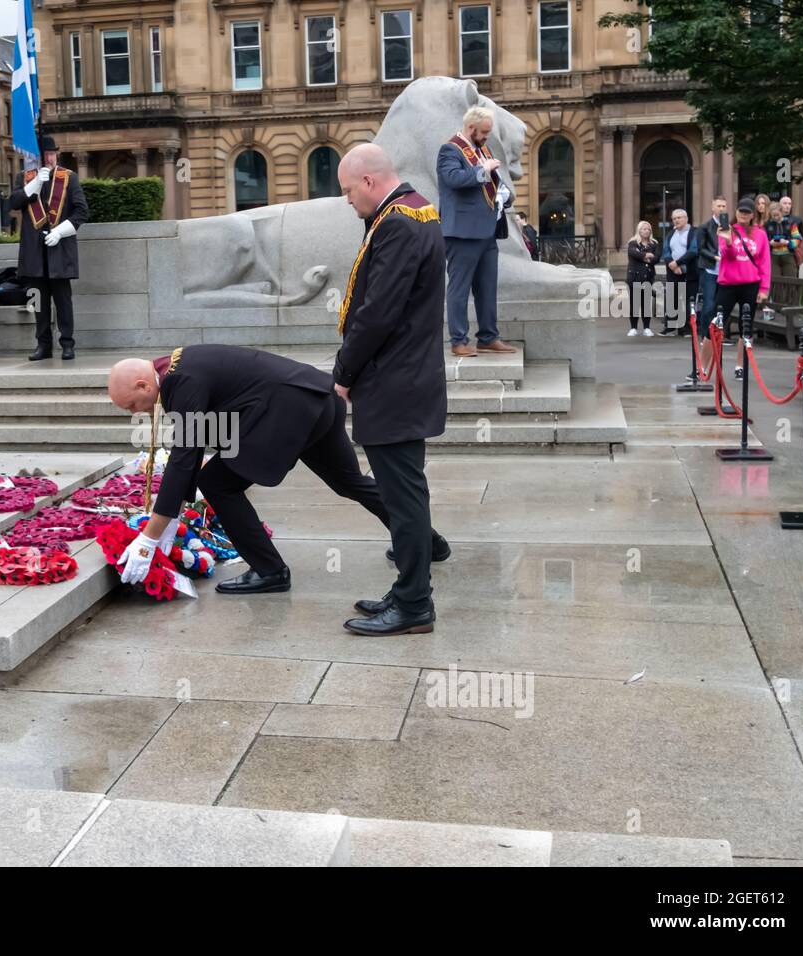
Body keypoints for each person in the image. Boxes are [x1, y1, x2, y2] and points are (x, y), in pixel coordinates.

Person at [106, 346, 450, 600]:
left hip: (289, 414)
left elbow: (186, 456)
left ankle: (269, 570)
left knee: (216, 482)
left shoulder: (179, 382)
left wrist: (150, 536)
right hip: (316, 398)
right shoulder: (181, 363)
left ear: (141, 385)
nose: (137, 412)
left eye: (132, 405)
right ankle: (424, 541)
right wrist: (169, 518)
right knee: (349, 482)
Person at [331, 143, 448, 635]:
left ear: (370, 182)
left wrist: (344, 372)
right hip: (408, 377)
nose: (347, 201)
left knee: (403, 499)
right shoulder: (418, 210)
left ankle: (415, 606)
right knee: (406, 494)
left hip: (393, 381)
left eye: (348, 191)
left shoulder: (397, 222)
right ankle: (407, 591)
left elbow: (377, 313)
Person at [436, 105, 516, 357]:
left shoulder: (482, 150)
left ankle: (488, 337)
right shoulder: (449, 149)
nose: (486, 137)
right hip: (461, 232)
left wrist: (503, 193)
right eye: (483, 132)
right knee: (459, 289)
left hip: (487, 230)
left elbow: (488, 185)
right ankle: (459, 340)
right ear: (470, 128)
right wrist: (484, 170)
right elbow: (454, 179)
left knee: (487, 287)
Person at [8, 134, 88, 361]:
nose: (50, 158)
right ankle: (43, 345)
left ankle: (67, 344)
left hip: (59, 249)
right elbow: (13, 204)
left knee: (63, 301)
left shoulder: (69, 178)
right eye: (45, 155)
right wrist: (35, 184)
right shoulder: (25, 178)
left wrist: (60, 232)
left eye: (52, 154)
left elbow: (81, 212)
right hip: (34, 252)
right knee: (38, 302)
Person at [712, 197, 770, 381]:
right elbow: (728, 256)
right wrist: (728, 241)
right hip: (728, 284)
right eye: (741, 211)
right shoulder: (726, 230)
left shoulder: (760, 234)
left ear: (753, 214)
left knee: (747, 327)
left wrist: (764, 288)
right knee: (715, 324)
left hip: (750, 284)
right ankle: (704, 367)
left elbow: (764, 263)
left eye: (747, 212)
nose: (743, 215)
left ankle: (741, 365)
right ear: (736, 212)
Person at [660, 208, 698, 336]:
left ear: (686, 218)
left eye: (679, 217)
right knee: (672, 299)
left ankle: (686, 329)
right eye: (674, 218)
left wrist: (678, 263)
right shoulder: (671, 234)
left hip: (689, 271)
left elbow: (693, 250)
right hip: (673, 271)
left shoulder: (694, 232)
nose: (676, 220)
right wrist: (672, 264)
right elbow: (665, 250)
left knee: (687, 300)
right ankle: (670, 327)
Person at [695, 197, 729, 338]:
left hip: (726, 270)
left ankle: (720, 335)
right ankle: (705, 335)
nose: (722, 208)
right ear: (713, 208)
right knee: (709, 304)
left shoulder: (728, 226)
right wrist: (716, 257)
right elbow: (701, 249)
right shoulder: (705, 227)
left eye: (724, 206)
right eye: (719, 206)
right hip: (710, 269)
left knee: (722, 304)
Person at [625, 221, 659, 337]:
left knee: (646, 303)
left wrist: (643, 256)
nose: (646, 231)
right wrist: (647, 255)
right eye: (644, 229)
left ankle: (647, 328)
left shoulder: (654, 244)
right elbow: (633, 254)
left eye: (648, 229)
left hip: (648, 277)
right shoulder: (633, 243)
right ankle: (633, 328)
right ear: (639, 230)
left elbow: (657, 258)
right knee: (634, 303)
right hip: (634, 277)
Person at [765, 204, 802, 278]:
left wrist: (787, 242)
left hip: (788, 256)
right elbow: (763, 242)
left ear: (782, 212)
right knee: (775, 283)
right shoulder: (767, 225)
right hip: (773, 257)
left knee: (791, 282)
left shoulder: (791, 223)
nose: (775, 217)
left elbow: (798, 239)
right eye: (773, 215)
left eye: (777, 215)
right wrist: (770, 243)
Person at [779, 194, 803, 264]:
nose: (787, 206)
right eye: (784, 203)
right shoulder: (774, 220)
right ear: (779, 205)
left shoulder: (797, 220)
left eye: (789, 204)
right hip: (776, 254)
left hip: (793, 253)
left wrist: (800, 254)